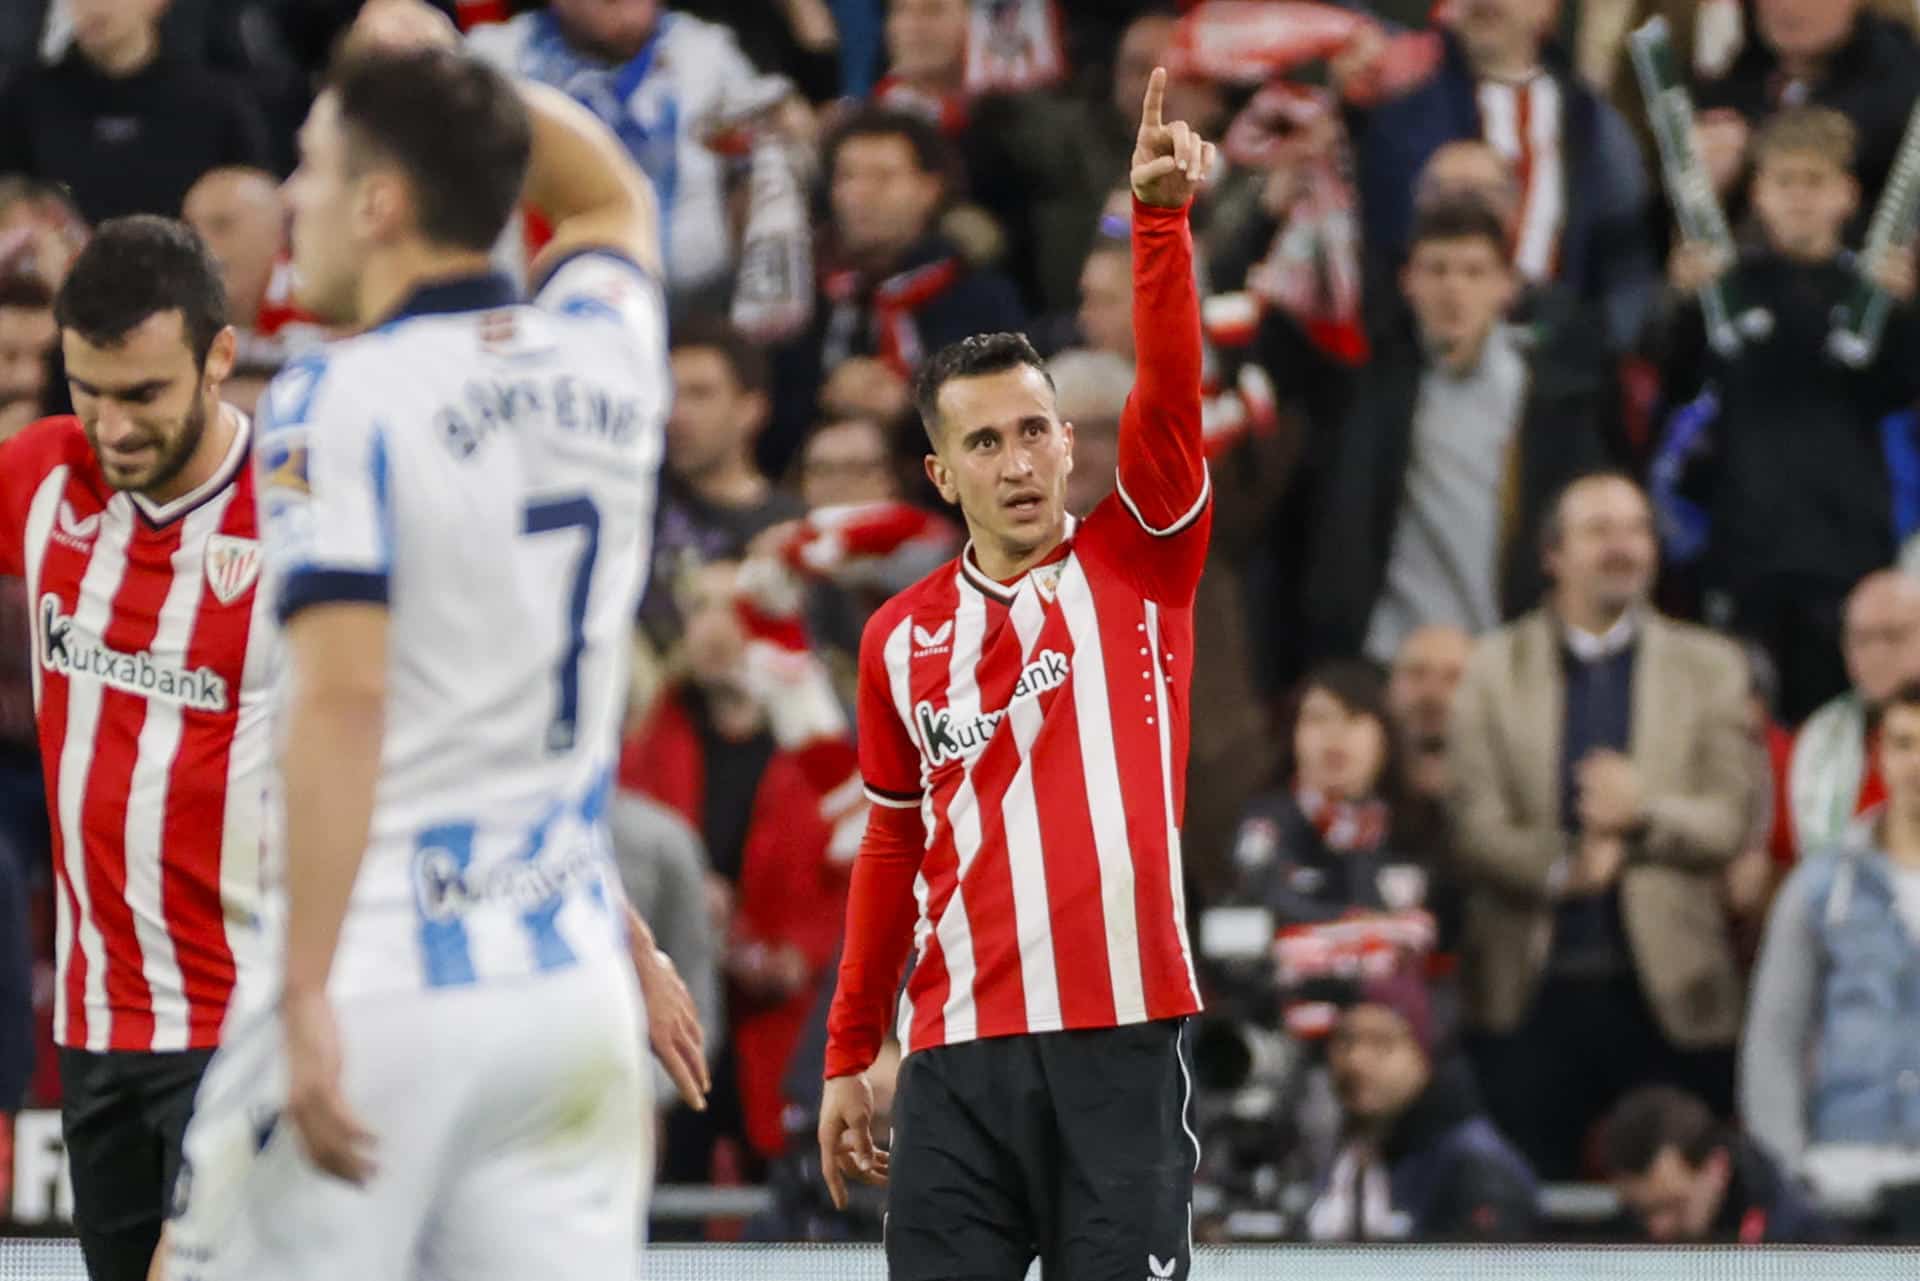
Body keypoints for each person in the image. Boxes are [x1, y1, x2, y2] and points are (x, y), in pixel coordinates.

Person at [160, 7, 706, 1280]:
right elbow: (608, 193)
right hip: (567, 990)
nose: (295, 196)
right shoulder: (611, 351)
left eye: (319, 164)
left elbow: (343, 704)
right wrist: (456, 84)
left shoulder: (332, 399)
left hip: (384, 976)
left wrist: (300, 996)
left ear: (382, 204)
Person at [815, 68, 1216, 1281]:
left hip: (1117, 1039)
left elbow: (1175, 391)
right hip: (953, 1053)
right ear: (943, 477)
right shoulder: (899, 638)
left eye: (1036, 430)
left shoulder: (1143, 561)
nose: (1019, 461)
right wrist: (850, 1049)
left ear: (1069, 440)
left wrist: (1157, 226)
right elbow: (893, 849)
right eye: (983, 442)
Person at [0, 213, 273, 1281]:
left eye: (143, 395)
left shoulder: (298, 519)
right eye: (88, 389)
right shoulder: (45, 476)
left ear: (218, 358)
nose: (109, 427)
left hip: (241, 1030)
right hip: (94, 1027)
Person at [1448, 472, 1751, 1180]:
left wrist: (1641, 810)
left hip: (1674, 998)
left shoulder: (1712, 666)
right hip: (1527, 996)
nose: (1623, 546)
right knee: (1524, 1215)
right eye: (1600, 530)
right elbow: (1472, 826)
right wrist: (1564, 869)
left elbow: (1729, 818)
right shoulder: (1492, 667)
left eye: (1637, 529)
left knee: (1676, 1223)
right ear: (1552, 554)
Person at [1744, 679, 1920, 1219]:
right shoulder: (1821, 887)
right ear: (1878, 757)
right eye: (1904, 744)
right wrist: (1790, 1174)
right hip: (1842, 1171)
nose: (1918, 764)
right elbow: (1775, 1038)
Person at [1303, 967, 1538, 1243]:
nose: (1356, 1061)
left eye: (1382, 1043)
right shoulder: (1342, 1151)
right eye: (1345, 1040)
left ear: (1425, 1055)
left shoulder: (1478, 1169)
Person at [1602, 1084, 1835, 1244]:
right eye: (1642, 1212)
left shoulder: (1802, 1244)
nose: (1659, 1228)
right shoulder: (1604, 1254)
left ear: (1717, 1169)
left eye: (1673, 1205)